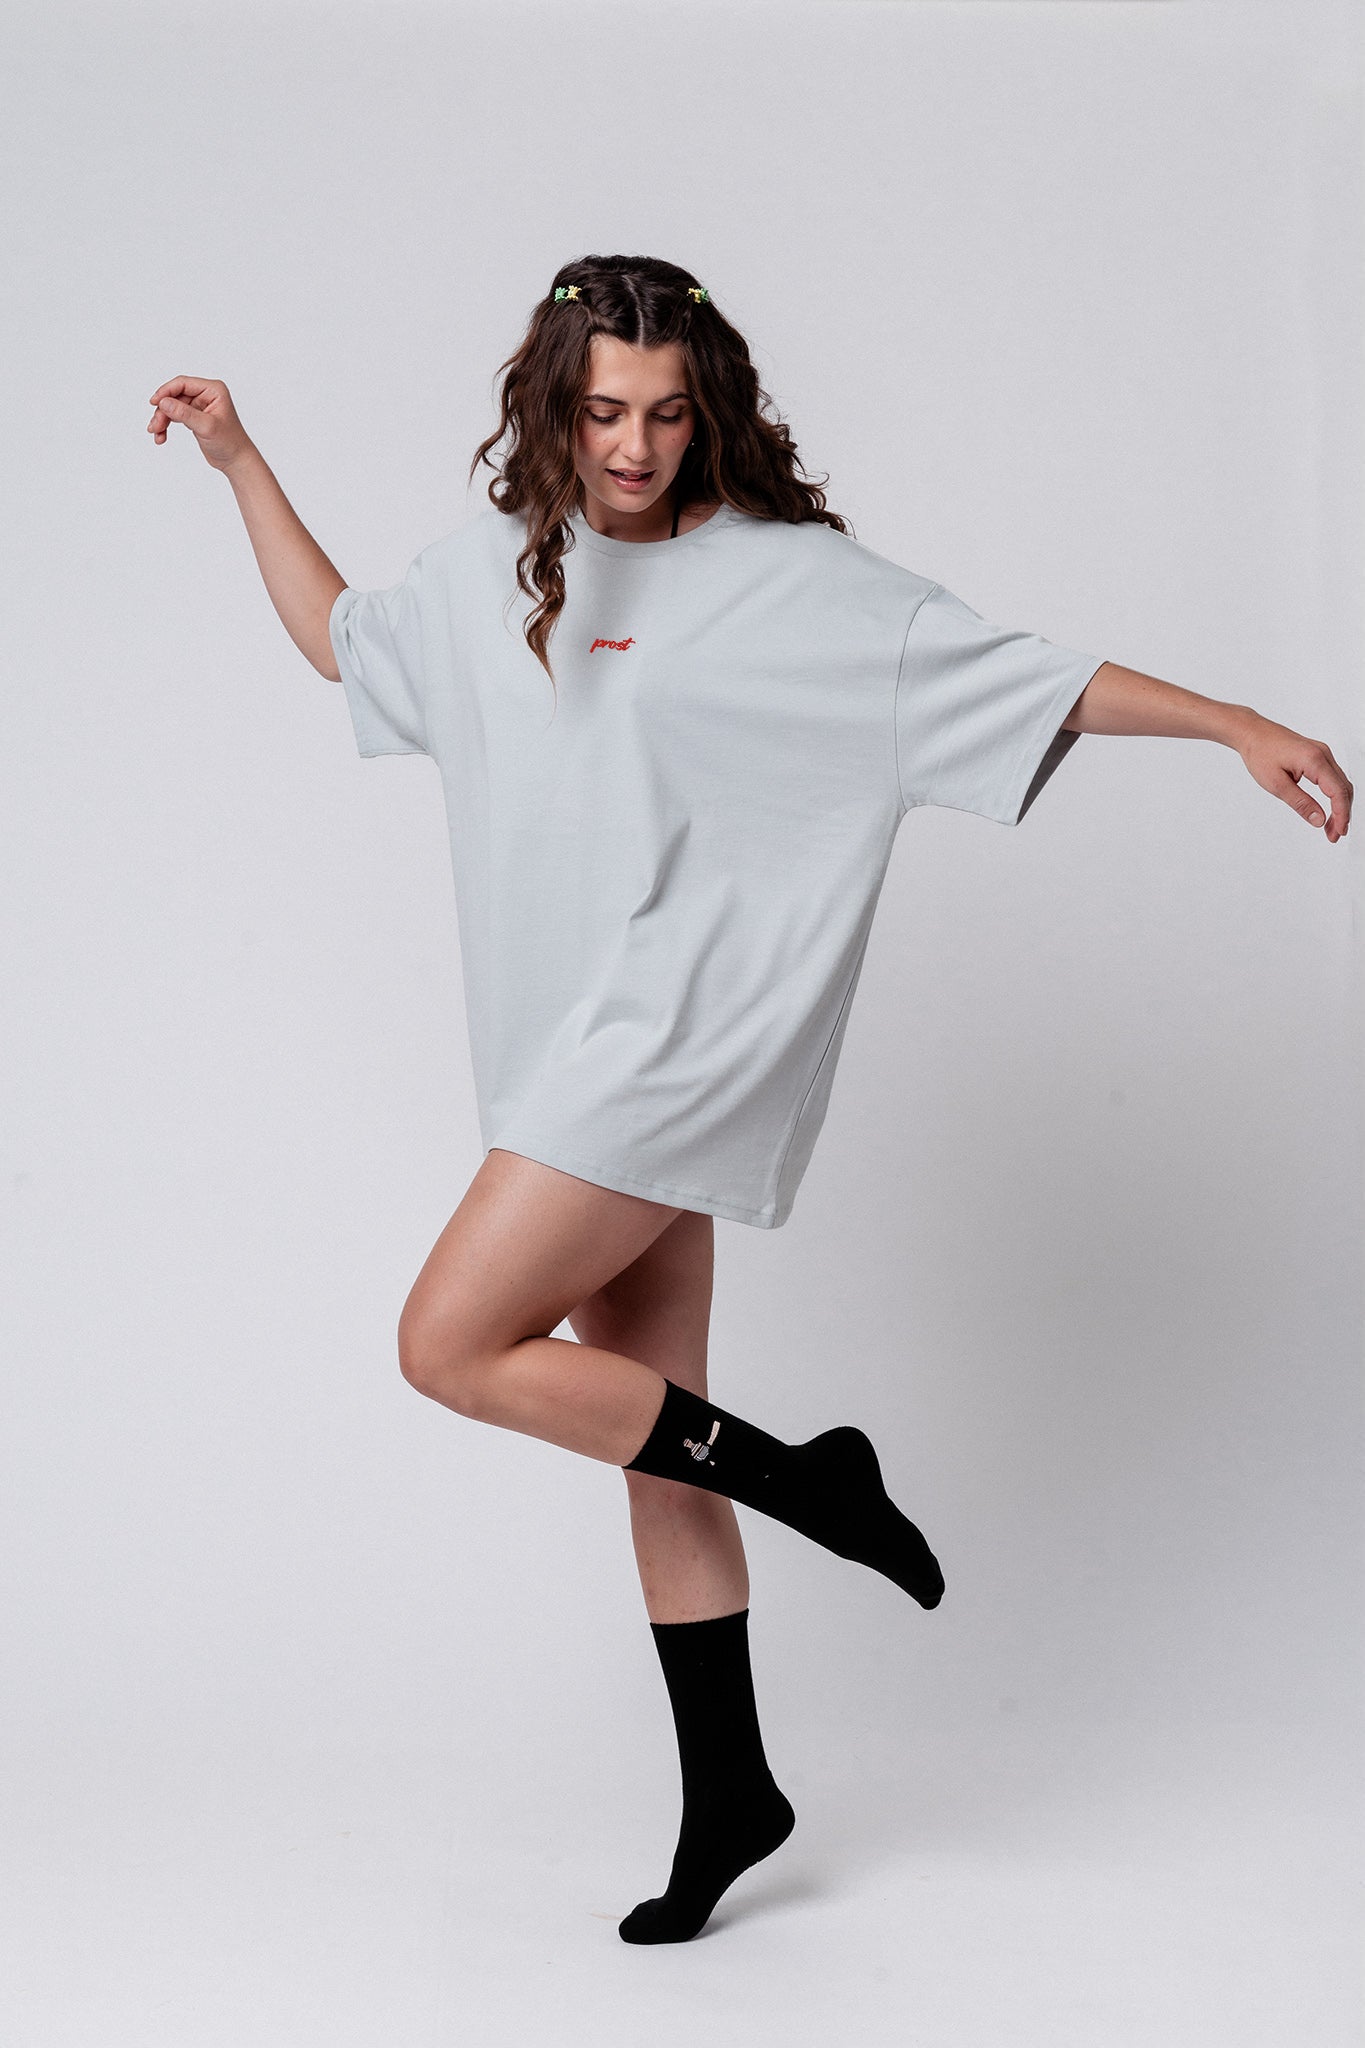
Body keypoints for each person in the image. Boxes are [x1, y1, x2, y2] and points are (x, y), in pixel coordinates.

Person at [147, 253, 1353, 1946]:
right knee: (658, 1441)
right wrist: (240, 463)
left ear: (705, 408)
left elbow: (1014, 672)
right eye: (602, 411)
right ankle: (732, 1790)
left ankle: (811, 1485)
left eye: (664, 412)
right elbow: (345, 645)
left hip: (672, 1050)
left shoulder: (789, 582)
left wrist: (1229, 721)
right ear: (553, 407)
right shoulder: (494, 573)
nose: (633, 447)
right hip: (560, 1051)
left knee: (446, 1345)